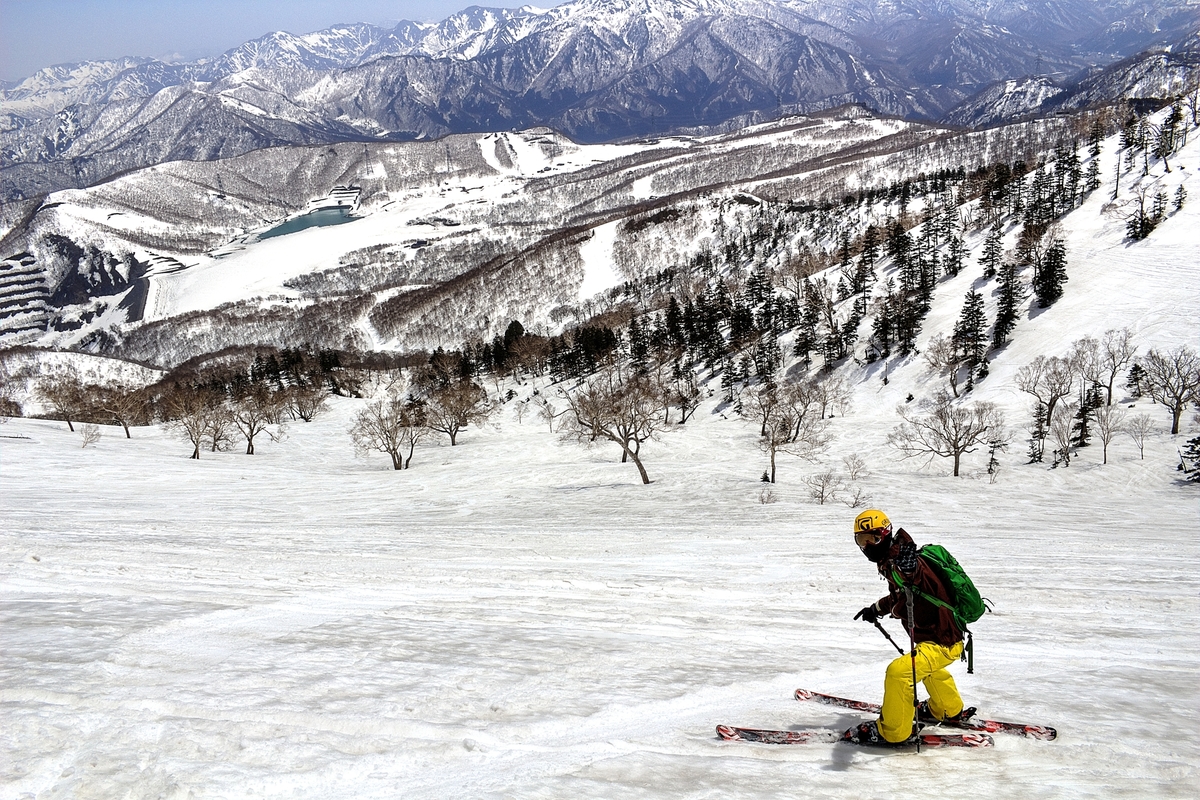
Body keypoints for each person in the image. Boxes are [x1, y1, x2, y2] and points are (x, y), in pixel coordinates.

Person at [844, 508, 974, 746]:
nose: (867, 546)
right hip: (935, 637)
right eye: (861, 540)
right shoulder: (890, 560)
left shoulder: (909, 561)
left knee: (900, 672)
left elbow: (914, 576)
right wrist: (876, 609)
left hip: (943, 640)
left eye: (872, 538)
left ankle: (893, 732)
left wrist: (909, 566)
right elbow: (901, 595)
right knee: (923, 667)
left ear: (886, 534)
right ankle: (946, 709)